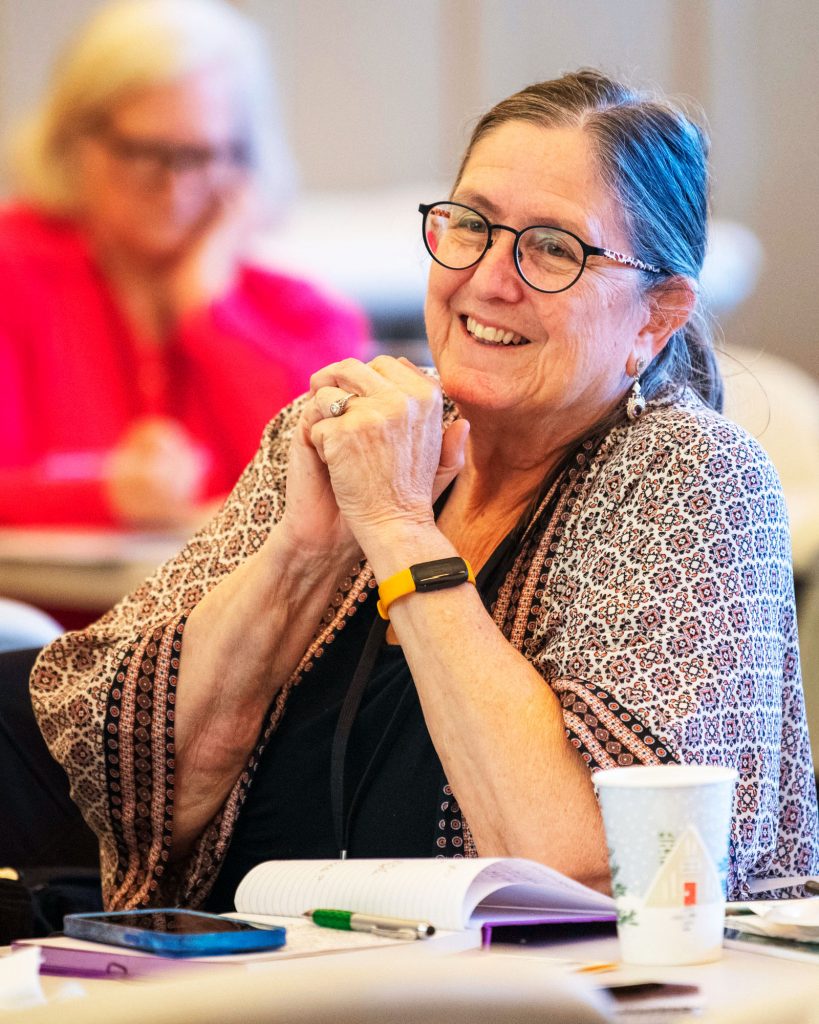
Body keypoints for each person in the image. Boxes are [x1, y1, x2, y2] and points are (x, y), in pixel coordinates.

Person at [29, 70, 818, 912]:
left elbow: (607, 872)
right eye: (470, 225)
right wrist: (303, 556)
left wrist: (401, 531)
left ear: (655, 316)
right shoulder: (352, 431)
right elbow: (129, 789)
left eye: (552, 247)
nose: (488, 278)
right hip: (230, 974)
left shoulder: (691, 479)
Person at [0, 0, 369, 530]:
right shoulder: (11, 270)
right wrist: (104, 496)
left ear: (244, 162)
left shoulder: (300, 315)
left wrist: (208, 305)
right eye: (144, 152)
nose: (174, 188)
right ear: (77, 142)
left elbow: (333, 484)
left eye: (199, 157)